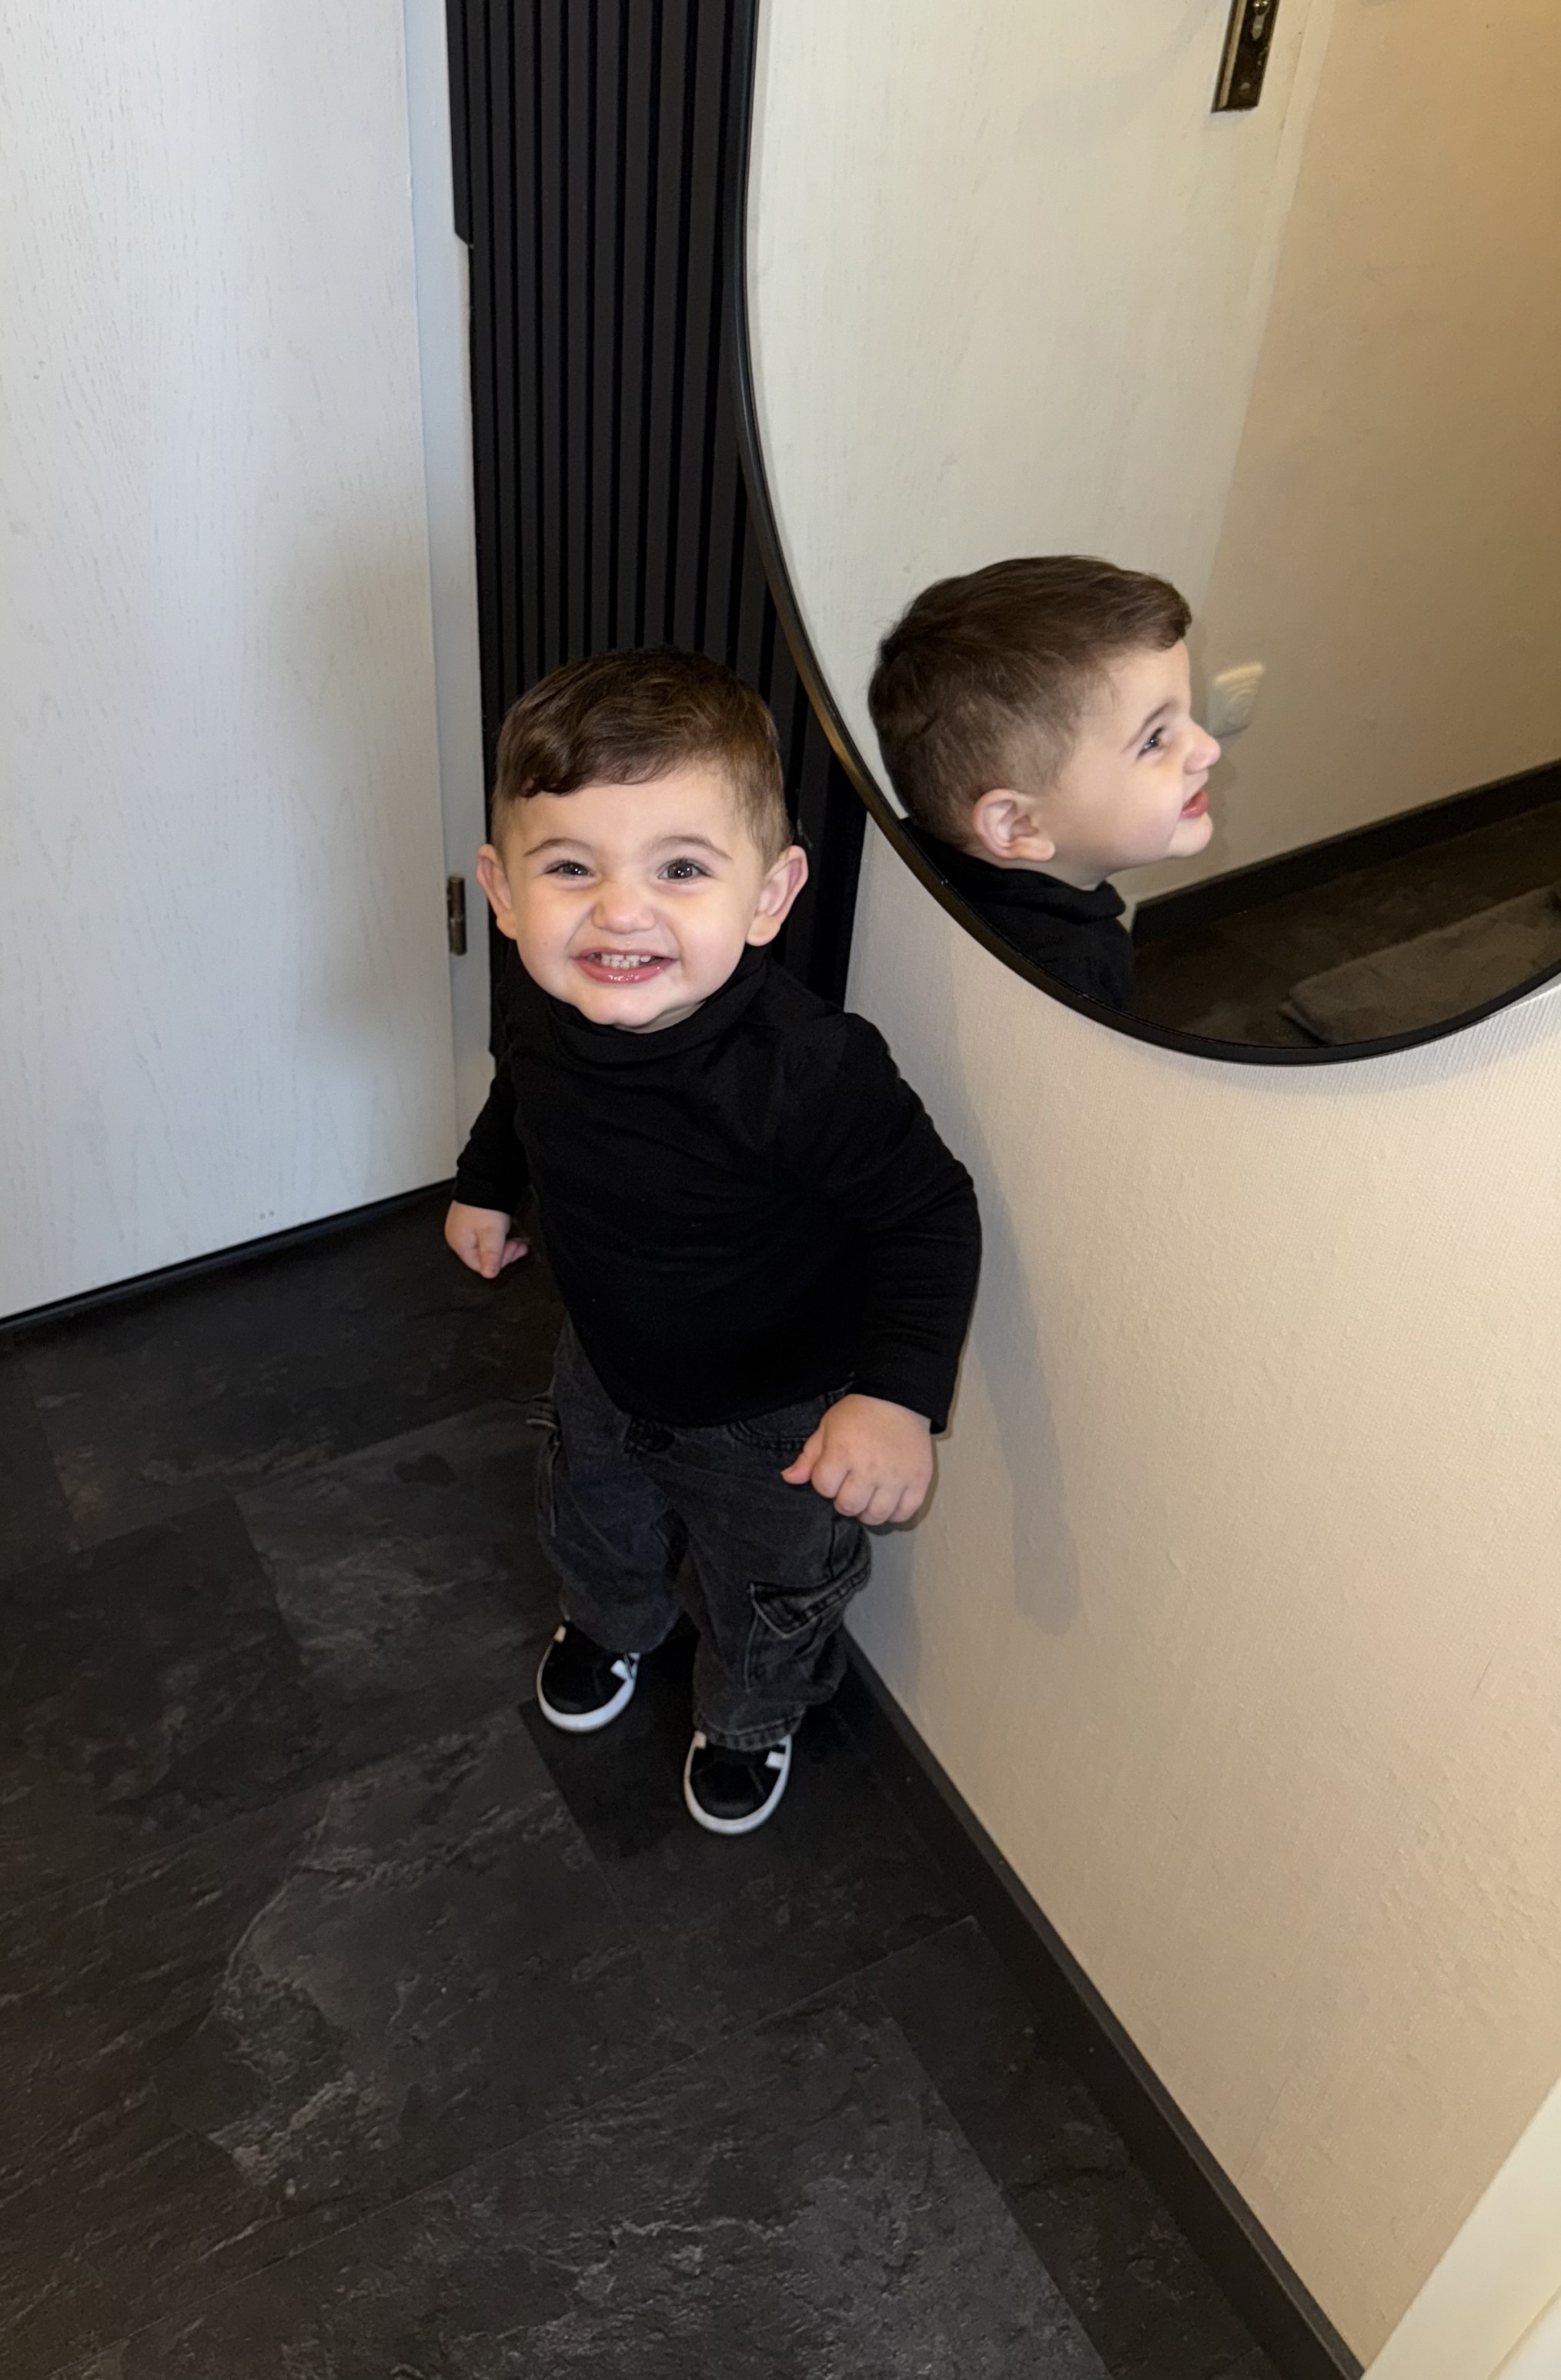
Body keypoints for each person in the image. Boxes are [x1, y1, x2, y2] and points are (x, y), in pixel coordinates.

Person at [445, 649, 981, 1835]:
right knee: (592, 1512)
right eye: (569, 867)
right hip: (603, 1358)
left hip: (773, 1415)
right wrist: (487, 1184)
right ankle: (614, 1624)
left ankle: (749, 1714)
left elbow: (927, 1212)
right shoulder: (541, 998)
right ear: (502, 890)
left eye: (680, 868)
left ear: (770, 894)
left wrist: (895, 1395)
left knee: (768, 1584)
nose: (620, 911)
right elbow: (520, 1091)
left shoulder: (809, 1068)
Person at [867, 556, 1222, 1010]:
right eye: (1153, 740)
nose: (1208, 749)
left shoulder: (898, 862)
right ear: (1018, 825)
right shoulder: (1067, 977)